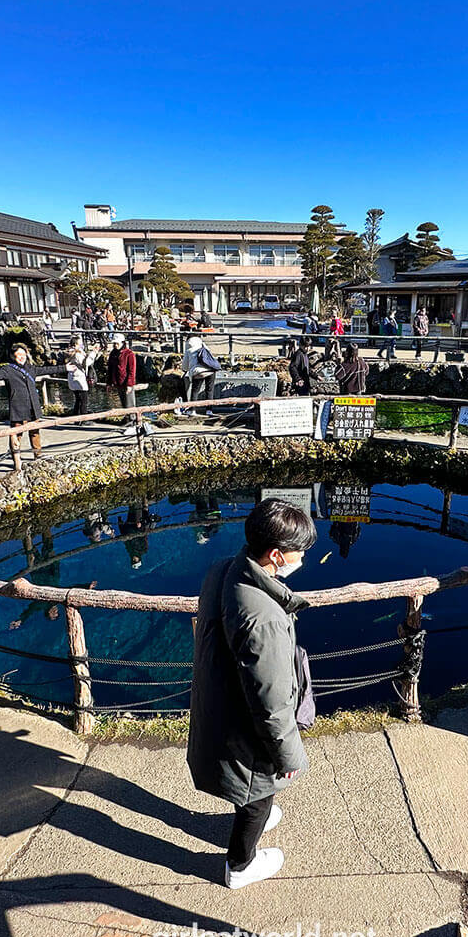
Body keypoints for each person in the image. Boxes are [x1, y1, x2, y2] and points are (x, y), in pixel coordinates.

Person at [188, 498, 316, 889]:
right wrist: (290, 755)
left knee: (254, 790)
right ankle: (240, 865)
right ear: (276, 555)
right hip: (244, 727)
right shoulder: (264, 619)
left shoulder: (224, 570)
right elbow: (272, 703)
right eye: (299, 552)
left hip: (221, 706)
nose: (302, 558)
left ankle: (253, 816)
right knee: (258, 791)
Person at [0, 344, 60, 470]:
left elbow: (47, 370)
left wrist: (66, 367)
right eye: (19, 355)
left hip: (33, 406)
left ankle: (37, 455)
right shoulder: (8, 370)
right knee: (16, 434)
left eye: (24, 355)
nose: (22, 357)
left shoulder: (30, 368)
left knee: (35, 432)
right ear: (13, 356)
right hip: (18, 407)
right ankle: (16, 460)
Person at [183, 334, 220, 414]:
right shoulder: (204, 346)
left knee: (195, 391)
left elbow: (185, 367)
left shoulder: (189, 350)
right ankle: (209, 410)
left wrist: (188, 369)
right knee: (209, 390)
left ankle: (192, 410)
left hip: (198, 372)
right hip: (211, 370)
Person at [65, 338, 96, 418]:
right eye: (80, 344)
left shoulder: (70, 353)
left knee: (78, 400)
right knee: (83, 400)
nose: (82, 345)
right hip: (79, 379)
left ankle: (75, 418)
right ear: (76, 345)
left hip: (72, 378)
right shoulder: (77, 354)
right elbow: (86, 363)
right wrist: (93, 353)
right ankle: (83, 418)